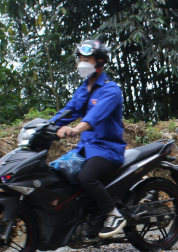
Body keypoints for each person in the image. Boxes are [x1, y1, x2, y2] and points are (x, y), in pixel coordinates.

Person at [52, 39, 128, 238]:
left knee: (86, 177)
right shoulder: (83, 89)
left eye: (87, 59)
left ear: (100, 62)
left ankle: (113, 214)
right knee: (59, 172)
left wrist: (76, 129)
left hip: (107, 149)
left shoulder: (111, 90)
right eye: (81, 59)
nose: (82, 63)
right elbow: (68, 111)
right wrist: (47, 127)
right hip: (86, 147)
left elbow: (95, 116)